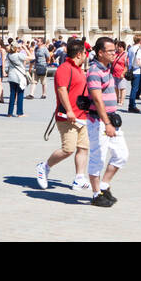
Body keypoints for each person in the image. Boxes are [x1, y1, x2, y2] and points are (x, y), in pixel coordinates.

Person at [35, 37, 91, 192]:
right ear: (79, 54)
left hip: (82, 115)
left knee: (83, 147)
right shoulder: (64, 68)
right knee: (68, 149)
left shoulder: (79, 70)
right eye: (85, 53)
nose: (86, 55)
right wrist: (69, 110)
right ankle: (44, 167)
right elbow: (61, 90)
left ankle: (79, 178)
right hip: (67, 116)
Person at [85, 37, 127, 207]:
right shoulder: (94, 71)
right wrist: (107, 123)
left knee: (122, 155)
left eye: (114, 51)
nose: (113, 54)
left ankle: (104, 185)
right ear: (100, 52)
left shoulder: (107, 68)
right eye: (110, 51)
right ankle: (96, 194)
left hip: (111, 119)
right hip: (99, 121)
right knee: (98, 157)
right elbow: (96, 99)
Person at [6, 39, 31, 116]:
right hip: (19, 77)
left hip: (11, 76)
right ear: (16, 48)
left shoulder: (9, 55)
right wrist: (26, 49)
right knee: (20, 95)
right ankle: (19, 113)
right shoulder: (19, 55)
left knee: (12, 95)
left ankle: (10, 113)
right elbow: (31, 57)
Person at [126, 36, 141, 113]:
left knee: (133, 88)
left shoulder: (130, 48)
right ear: (140, 41)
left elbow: (127, 59)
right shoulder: (138, 49)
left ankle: (131, 105)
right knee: (134, 89)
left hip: (131, 70)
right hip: (136, 70)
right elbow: (138, 62)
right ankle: (132, 106)